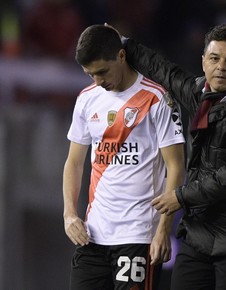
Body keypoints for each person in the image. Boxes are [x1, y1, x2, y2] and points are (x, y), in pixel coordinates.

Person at [121, 24, 226, 290]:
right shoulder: (200, 94)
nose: (222, 67)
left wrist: (180, 197)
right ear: (203, 61)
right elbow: (164, 71)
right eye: (215, 58)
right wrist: (123, 43)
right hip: (199, 235)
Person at [62, 24, 185, 290]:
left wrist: (164, 230)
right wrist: (70, 214)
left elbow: (176, 166)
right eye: (90, 74)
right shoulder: (86, 99)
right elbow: (74, 162)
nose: (98, 82)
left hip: (138, 236)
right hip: (92, 236)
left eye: (102, 72)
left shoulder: (157, 98)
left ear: (120, 56)